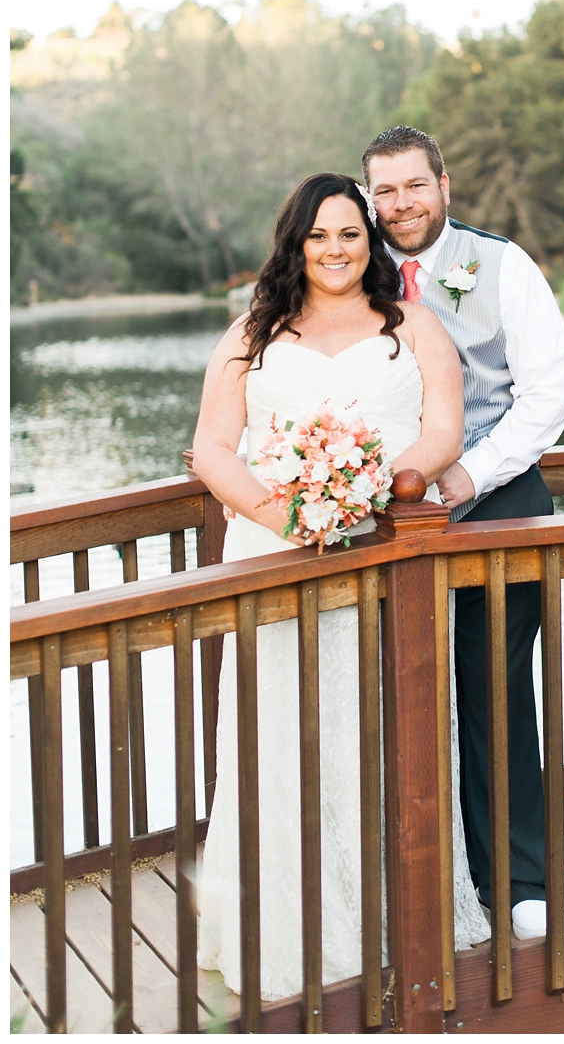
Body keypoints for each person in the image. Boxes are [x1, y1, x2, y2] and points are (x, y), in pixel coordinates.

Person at [191, 172, 489, 999]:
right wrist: (280, 510)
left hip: (384, 551)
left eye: (350, 234)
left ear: (371, 242)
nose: (335, 249)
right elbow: (215, 446)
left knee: (386, 731)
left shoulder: (413, 325)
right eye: (318, 235)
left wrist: (387, 481)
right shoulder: (251, 332)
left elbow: (442, 427)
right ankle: (281, 930)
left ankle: (399, 920)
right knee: (276, 736)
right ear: (295, 242)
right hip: (272, 552)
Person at [362, 127, 564, 941]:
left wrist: (471, 473)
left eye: (414, 186)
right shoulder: (352, 271)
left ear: (445, 184)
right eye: (384, 190)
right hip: (385, 523)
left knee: (494, 692)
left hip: (499, 505)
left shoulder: (501, 265)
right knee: (395, 693)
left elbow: (547, 395)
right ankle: (414, 871)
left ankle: (516, 876)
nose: (400, 204)